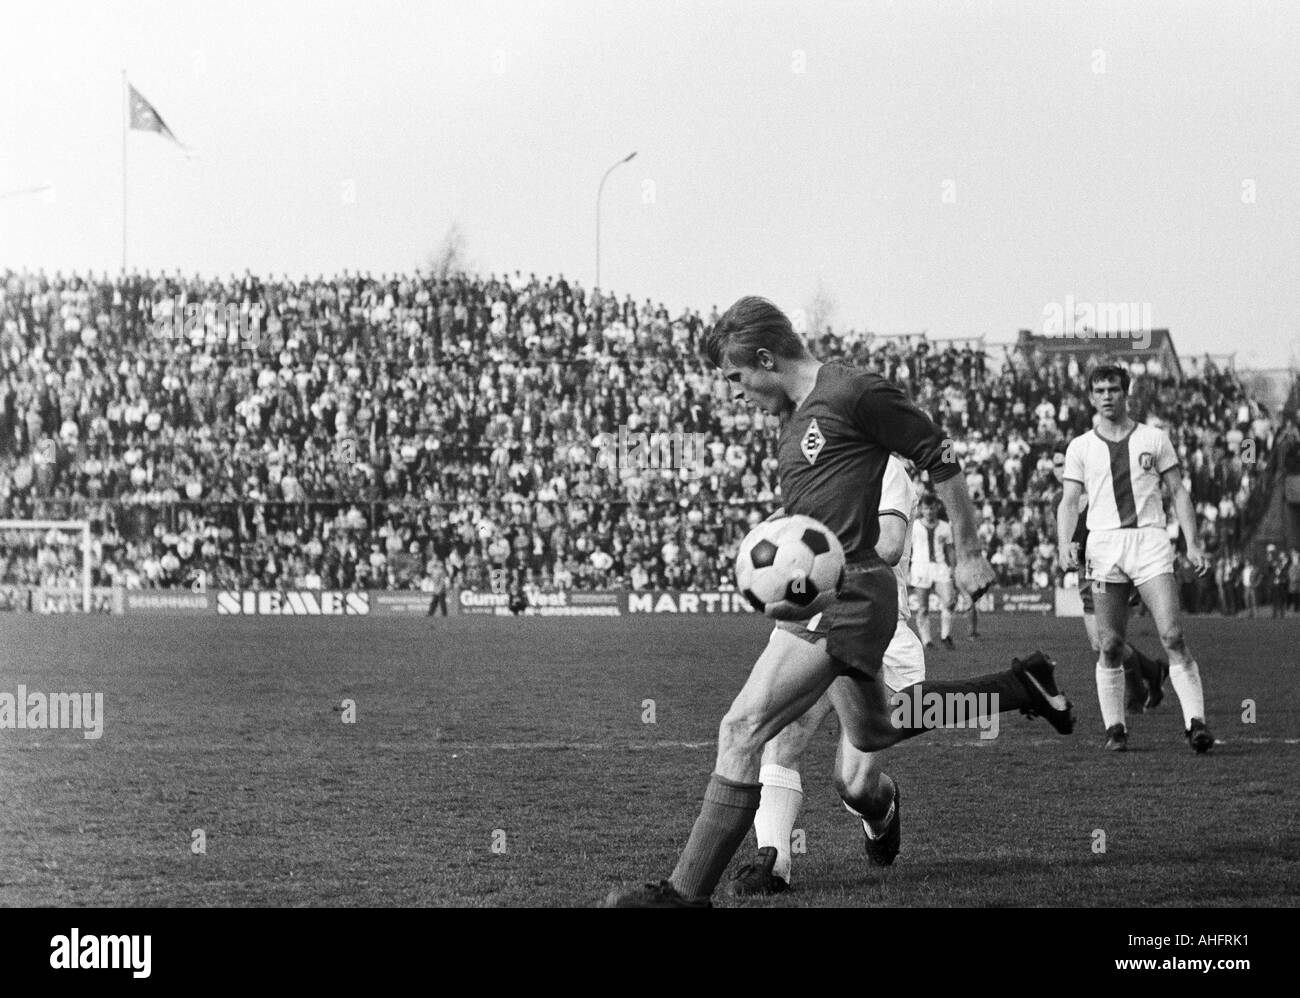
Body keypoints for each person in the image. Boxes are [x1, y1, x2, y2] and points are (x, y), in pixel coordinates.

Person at [603, 297, 1075, 909]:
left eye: (736, 378)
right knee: (878, 726)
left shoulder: (852, 391)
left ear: (766, 358)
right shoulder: (793, 422)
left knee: (742, 727)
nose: (736, 394)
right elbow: (816, 518)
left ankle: (682, 895)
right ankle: (1019, 687)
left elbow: (939, 455)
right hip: (824, 598)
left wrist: (967, 551)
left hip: (851, 595)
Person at [726, 454, 923, 895]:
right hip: (810, 625)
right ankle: (774, 864)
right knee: (783, 734)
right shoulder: (812, 465)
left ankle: (883, 811)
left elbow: (889, 544)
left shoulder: (884, 468)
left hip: (878, 629)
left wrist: (822, 554)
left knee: (854, 785)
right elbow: (785, 526)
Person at [1058, 364, 1214, 754]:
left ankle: (1195, 724)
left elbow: (1178, 491)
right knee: (1109, 643)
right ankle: (1116, 729)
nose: (1107, 395)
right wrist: (1064, 541)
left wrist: (1192, 544)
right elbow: (1069, 500)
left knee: (1173, 635)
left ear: (1126, 393)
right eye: (1100, 390)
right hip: (1105, 544)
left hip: (1150, 541)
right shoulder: (1080, 447)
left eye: (1114, 388)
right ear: (1091, 397)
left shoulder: (1154, 438)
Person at [1052, 451, 1167, 718]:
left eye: (1063, 464)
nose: (1059, 470)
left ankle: (1137, 692)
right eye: (1056, 466)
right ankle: (1152, 672)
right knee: (1102, 641)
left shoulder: (1102, 494)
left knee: (1106, 640)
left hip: (1107, 569)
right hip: (1084, 571)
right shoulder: (1061, 501)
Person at [909, 497, 958, 649]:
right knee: (923, 607)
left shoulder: (944, 526)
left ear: (936, 508)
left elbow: (950, 549)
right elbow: (906, 548)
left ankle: (945, 635)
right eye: (926, 508)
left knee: (949, 601)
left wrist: (953, 568)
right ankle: (926, 641)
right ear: (921, 509)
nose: (929, 511)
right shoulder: (914, 526)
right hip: (920, 566)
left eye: (932, 508)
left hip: (940, 567)